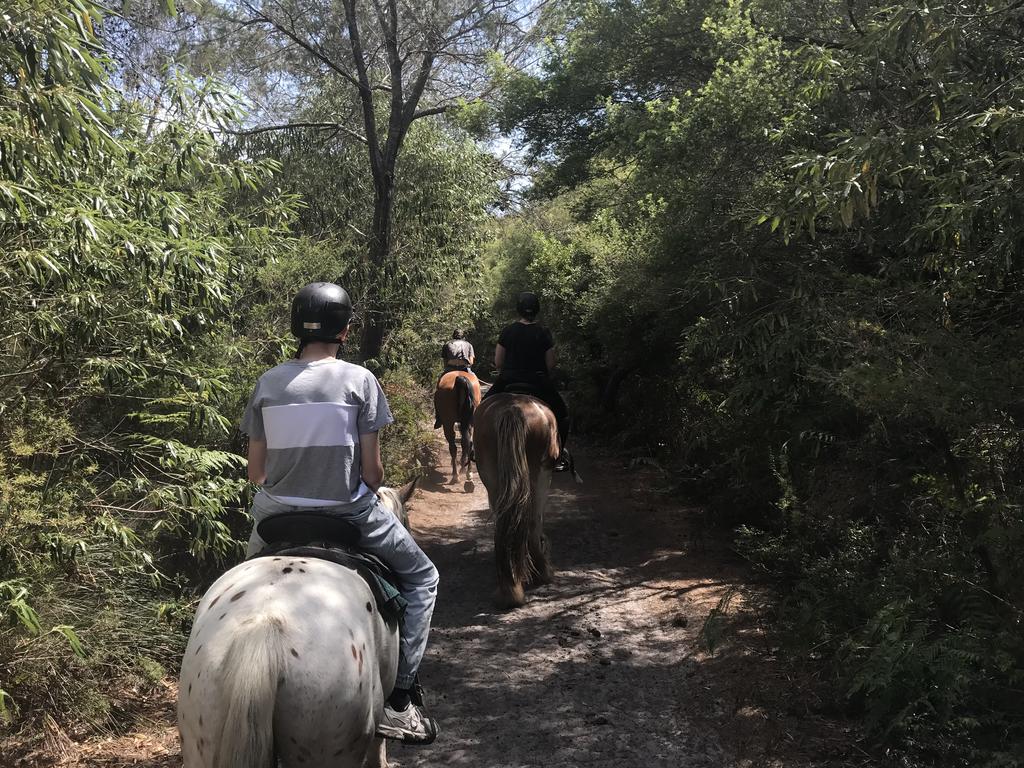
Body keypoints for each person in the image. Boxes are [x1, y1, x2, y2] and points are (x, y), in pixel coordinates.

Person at [240, 282, 440, 745]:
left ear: (296, 327)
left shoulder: (268, 382)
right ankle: (401, 702)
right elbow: (372, 475)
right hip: (347, 515)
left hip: (274, 516)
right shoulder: (359, 381)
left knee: (239, 587)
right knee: (423, 577)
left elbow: (255, 473)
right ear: (345, 330)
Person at [484, 291, 571, 471]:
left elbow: (499, 362)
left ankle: (478, 451)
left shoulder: (508, 331)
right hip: (538, 381)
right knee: (563, 414)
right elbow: (551, 363)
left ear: (518, 310)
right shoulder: (543, 332)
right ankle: (559, 455)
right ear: (536, 310)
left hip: (508, 380)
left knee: (482, 408)